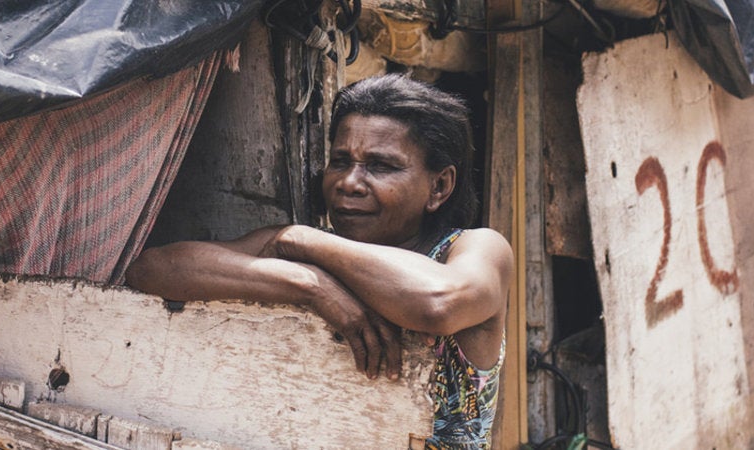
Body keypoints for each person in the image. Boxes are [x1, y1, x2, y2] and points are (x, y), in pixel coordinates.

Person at [125, 74, 513, 448]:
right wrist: (309, 285)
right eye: (340, 161)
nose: (348, 182)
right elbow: (152, 269)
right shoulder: (310, 254)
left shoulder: (474, 249)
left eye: (380, 166)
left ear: (439, 186)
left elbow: (436, 304)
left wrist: (298, 238)